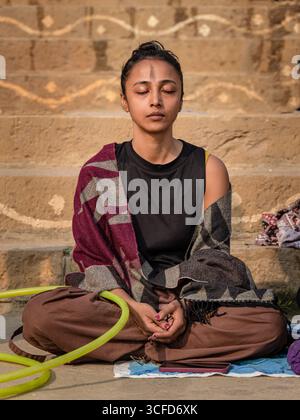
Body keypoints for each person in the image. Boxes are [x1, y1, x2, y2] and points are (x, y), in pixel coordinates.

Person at [18, 40, 288, 365]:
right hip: (121, 302)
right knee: (39, 315)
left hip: (188, 298)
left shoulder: (209, 168)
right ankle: (169, 346)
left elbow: (214, 257)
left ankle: (137, 344)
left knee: (269, 325)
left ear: (181, 99)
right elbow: (92, 258)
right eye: (142, 91)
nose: (156, 101)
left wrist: (185, 308)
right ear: (124, 101)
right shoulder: (98, 172)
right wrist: (130, 306)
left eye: (168, 90)